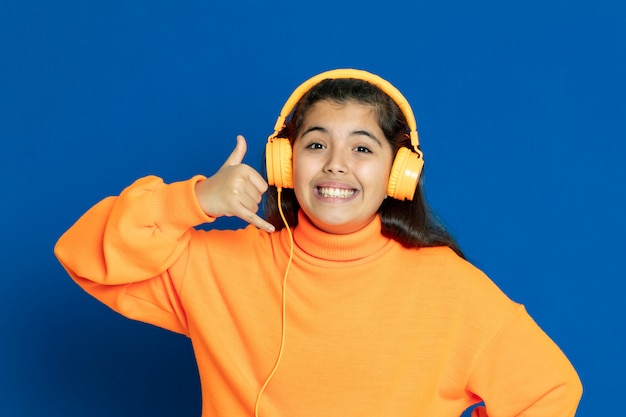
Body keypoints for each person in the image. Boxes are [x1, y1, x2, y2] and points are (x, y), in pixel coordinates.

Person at [54, 69, 582, 417]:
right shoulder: (219, 266)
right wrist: (194, 202)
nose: (335, 163)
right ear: (286, 162)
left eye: (362, 147)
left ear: (399, 173)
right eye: (315, 144)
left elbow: (550, 390)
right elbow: (83, 254)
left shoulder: (448, 287)